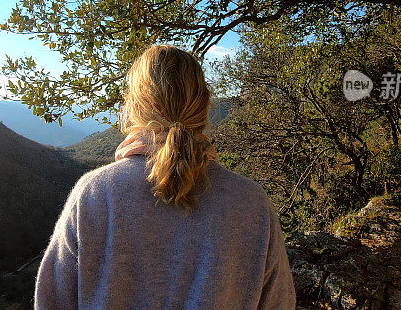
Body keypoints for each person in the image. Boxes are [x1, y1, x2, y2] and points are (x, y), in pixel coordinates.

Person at [34, 45, 296, 309]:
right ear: (204, 104)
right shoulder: (252, 203)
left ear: (133, 105)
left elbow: (50, 303)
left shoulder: (93, 195)